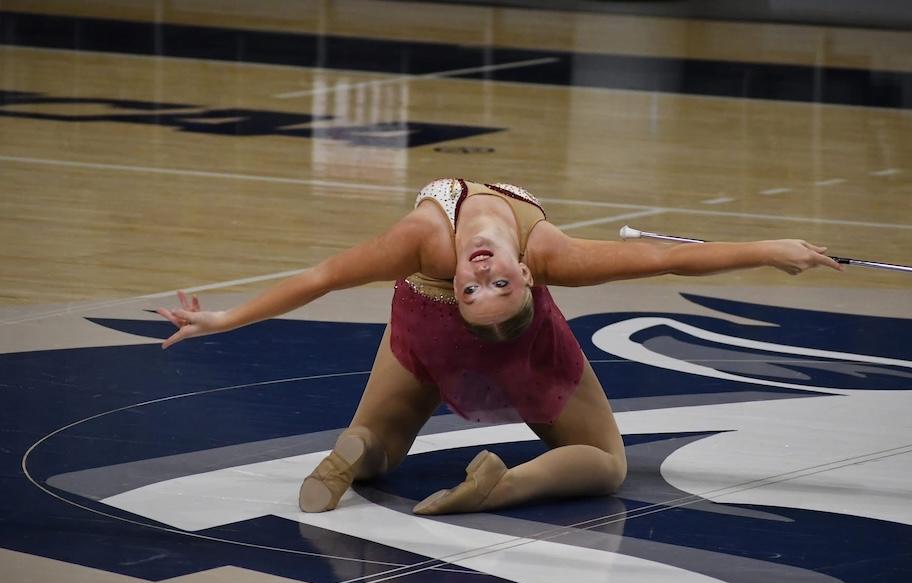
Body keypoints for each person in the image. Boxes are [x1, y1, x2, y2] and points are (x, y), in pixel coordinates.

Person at [157, 178, 841, 516]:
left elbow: (323, 278)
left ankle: (358, 452)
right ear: (531, 281)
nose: (481, 273)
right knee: (605, 461)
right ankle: (503, 488)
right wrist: (768, 248)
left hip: (425, 330)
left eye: (477, 284)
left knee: (379, 442)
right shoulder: (549, 253)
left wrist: (225, 319)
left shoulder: (425, 242)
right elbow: (662, 260)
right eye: (490, 284)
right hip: (505, 340)